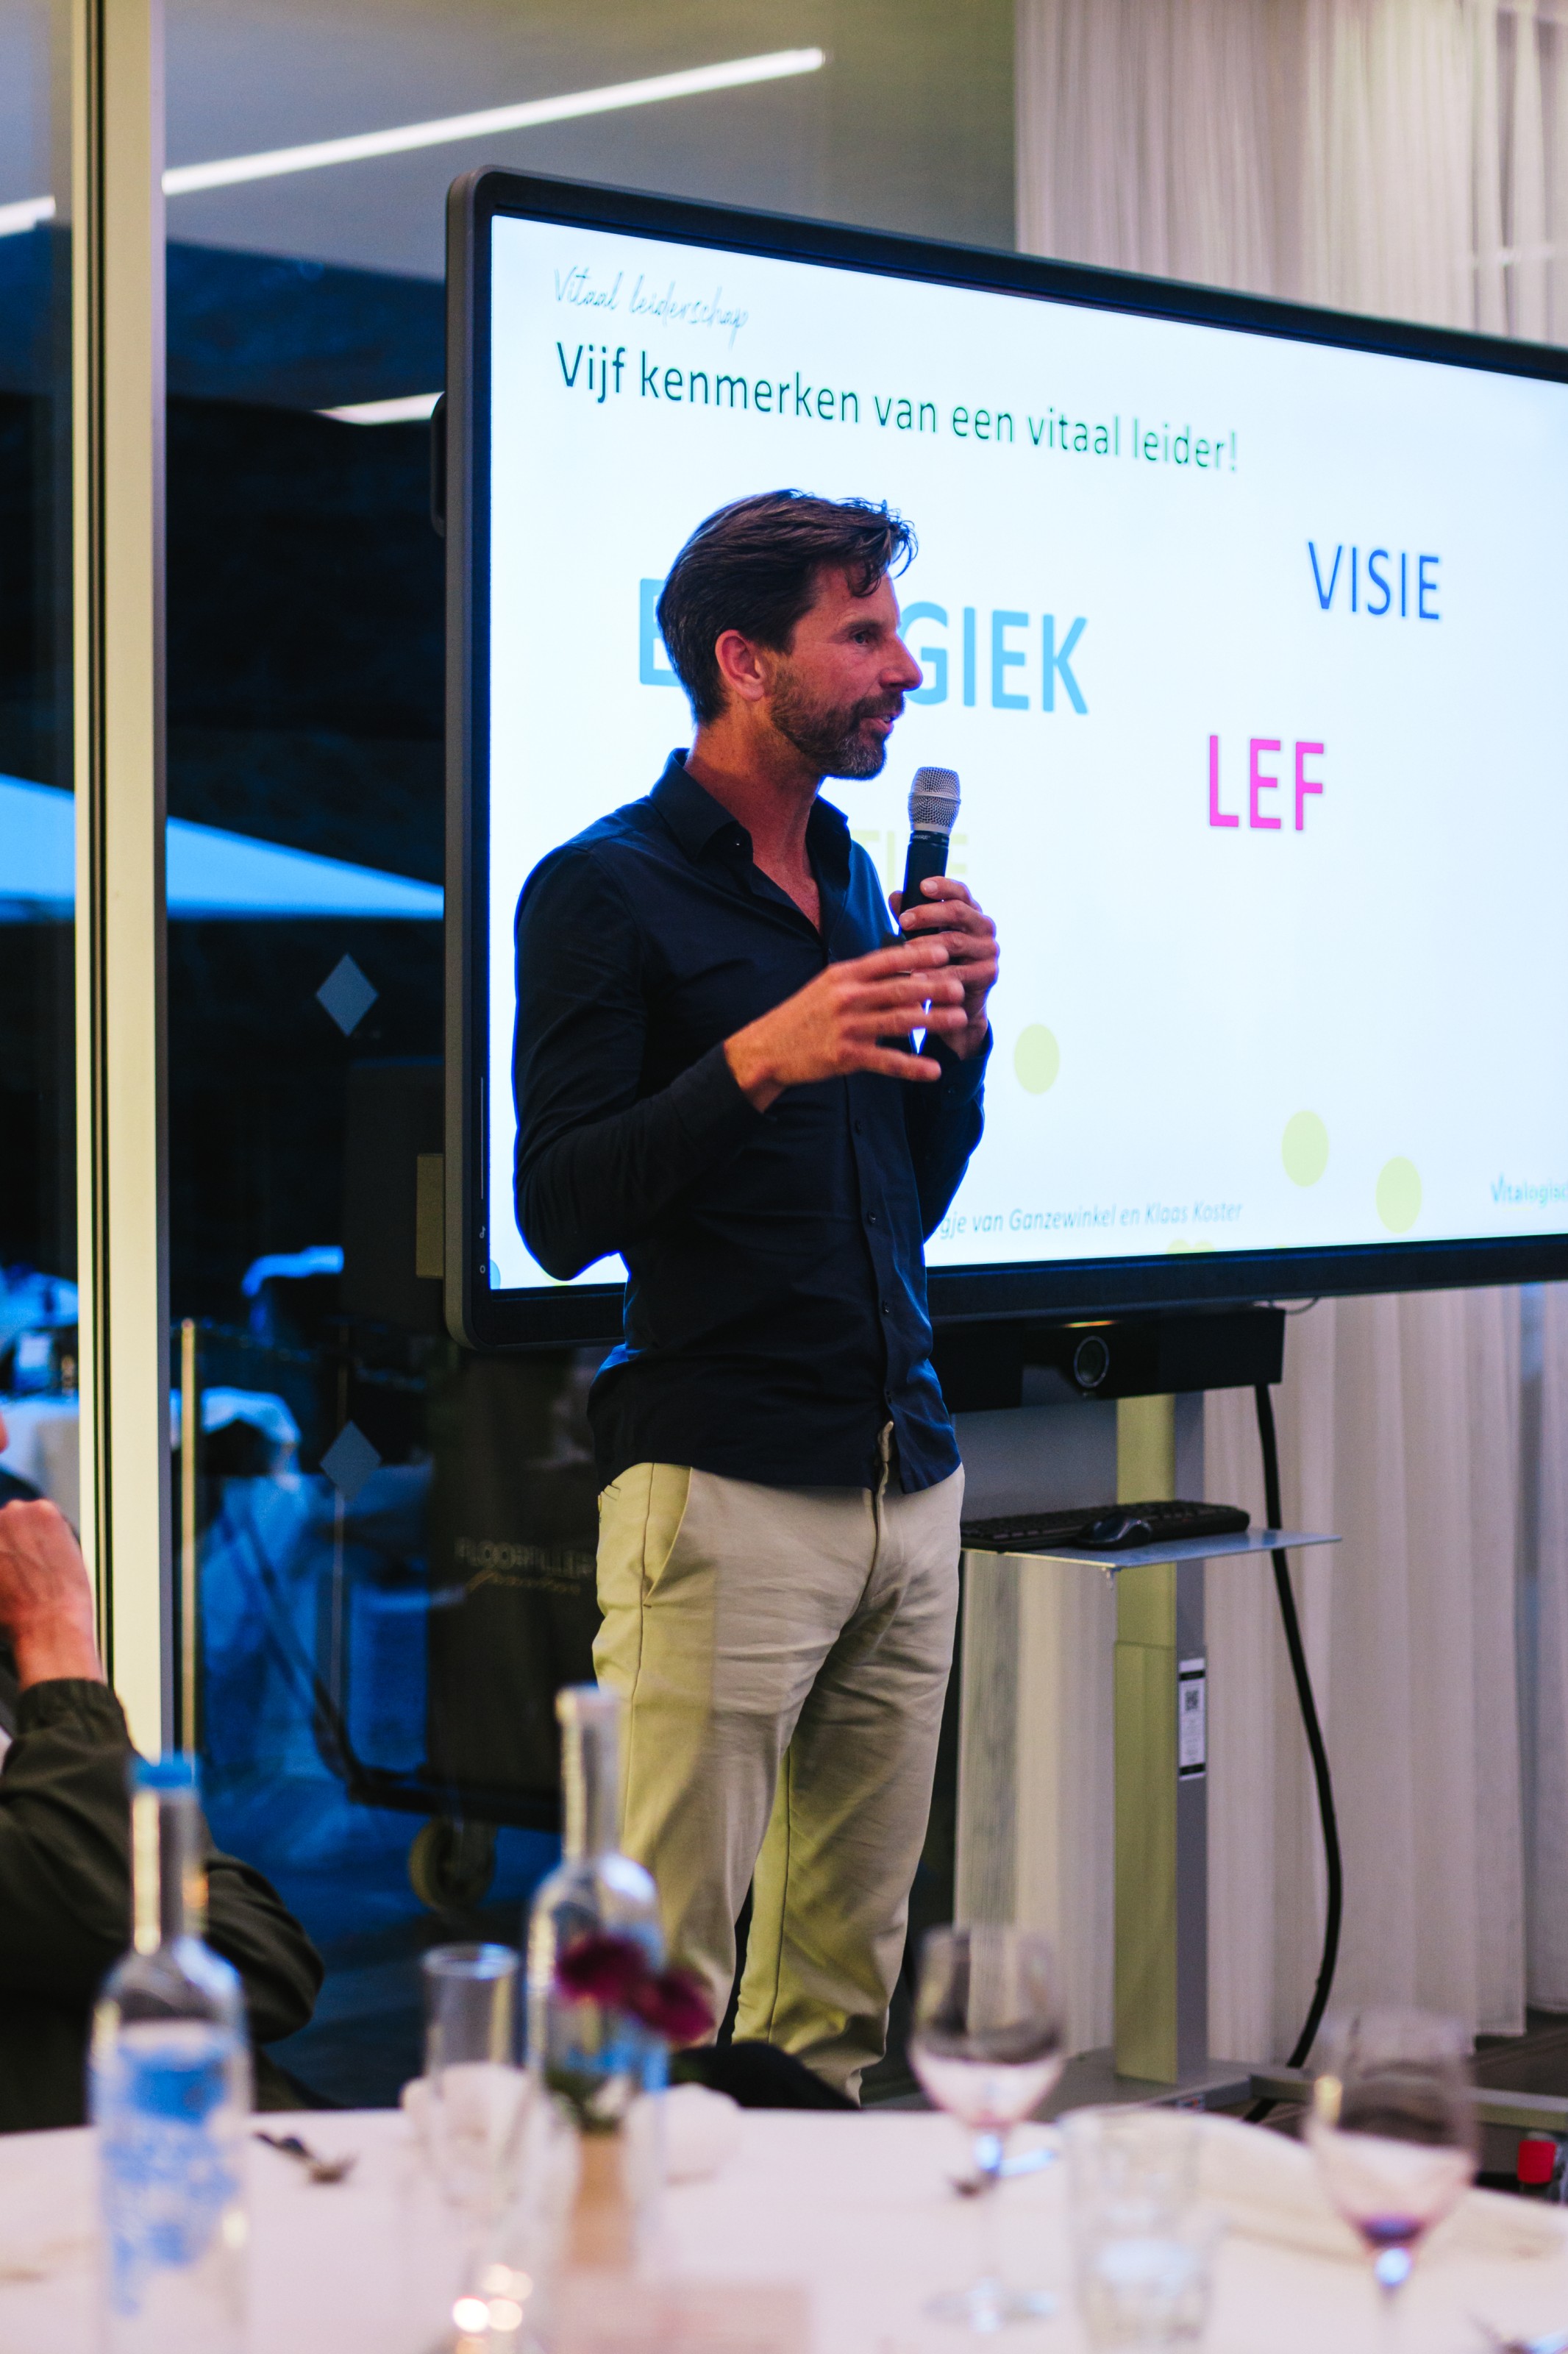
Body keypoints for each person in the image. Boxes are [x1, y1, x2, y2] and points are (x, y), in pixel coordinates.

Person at [513, 489, 999, 2097]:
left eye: (897, 633)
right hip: (722, 1491)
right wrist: (757, 1059)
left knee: (840, 2001)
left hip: (901, 1480)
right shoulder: (603, 888)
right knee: (647, 1992)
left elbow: (902, 1207)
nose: (904, 669)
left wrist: (959, 1048)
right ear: (743, 661)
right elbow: (557, 1205)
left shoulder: (857, 877)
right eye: (862, 634)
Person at [0, 1410, 324, 2130]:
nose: (1, 1434)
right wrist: (56, 1635)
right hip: (84, 2167)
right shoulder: (30, 1637)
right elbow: (115, 1900)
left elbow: (267, 1961)